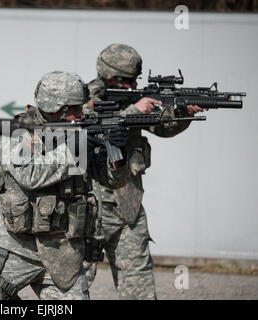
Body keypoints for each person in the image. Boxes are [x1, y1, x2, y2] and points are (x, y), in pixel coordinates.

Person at [0, 70, 129, 300]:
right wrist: (74, 149)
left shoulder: (79, 132)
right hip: (14, 247)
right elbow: (30, 175)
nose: (81, 114)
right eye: (76, 109)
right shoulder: (18, 129)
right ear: (58, 108)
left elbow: (112, 180)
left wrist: (116, 152)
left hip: (63, 251)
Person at [83, 43, 204, 299]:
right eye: (126, 81)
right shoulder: (85, 98)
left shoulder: (134, 97)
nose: (132, 87)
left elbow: (163, 128)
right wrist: (131, 112)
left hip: (128, 206)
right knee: (73, 285)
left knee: (139, 288)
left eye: (134, 80)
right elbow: (87, 131)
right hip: (87, 209)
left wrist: (182, 113)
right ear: (109, 75)